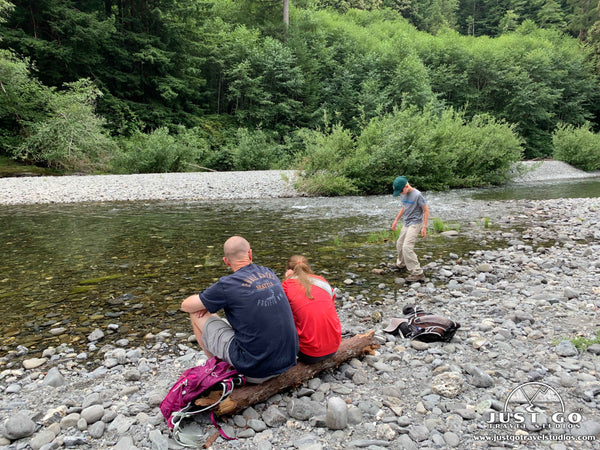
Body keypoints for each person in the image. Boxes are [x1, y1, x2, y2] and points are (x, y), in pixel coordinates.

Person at [181, 236, 298, 383]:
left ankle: (215, 368)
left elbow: (185, 306)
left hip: (256, 370)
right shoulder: (269, 273)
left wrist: (204, 303)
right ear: (250, 254)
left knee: (196, 313)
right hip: (288, 360)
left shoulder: (228, 284)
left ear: (226, 262)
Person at [281, 255, 342, 364]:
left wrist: (287, 279)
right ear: (307, 268)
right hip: (334, 346)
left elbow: (282, 315)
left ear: (288, 270)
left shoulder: (286, 286)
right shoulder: (322, 281)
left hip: (309, 354)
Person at [391, 176, 429, 282]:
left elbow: (426, 211)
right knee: (399, 244)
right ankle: (401, 264)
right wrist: (396, 220)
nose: (400, 194)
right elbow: (404, 207)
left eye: (401, 191)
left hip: (416, 223)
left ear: (406, 186)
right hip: (406, 222)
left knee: (407, 247)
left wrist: (424, 227)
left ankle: (418, 273)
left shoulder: (417, 195)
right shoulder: (403, 193)